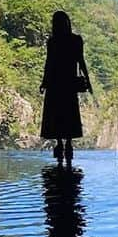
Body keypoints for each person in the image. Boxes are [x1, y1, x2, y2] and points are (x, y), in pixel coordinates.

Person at [39, 10, 92, 165]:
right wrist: (87, 80)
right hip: (69, 83)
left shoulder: (53, 41)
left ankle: (60, 145)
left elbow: (48, 64)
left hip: (55, 84)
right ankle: (68, 145)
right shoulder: (75, 40)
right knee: (69, 114)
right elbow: (81, 61)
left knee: (56, 114)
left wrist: (44, 82)